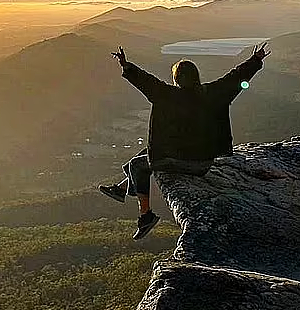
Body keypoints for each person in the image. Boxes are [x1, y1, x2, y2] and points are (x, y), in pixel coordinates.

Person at [99, 42, 271, 240]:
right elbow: (235, 78)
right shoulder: (213, 93)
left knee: (137, 165)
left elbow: (146, 81)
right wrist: (255, 60)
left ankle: (145, 215)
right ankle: (121, 189)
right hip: (203, 162)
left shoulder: (167, 95)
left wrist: (126, 66)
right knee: (146, 153)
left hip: (180, 162)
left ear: (176, 79)